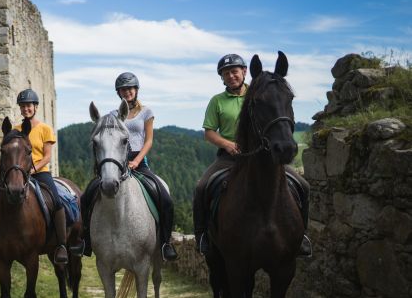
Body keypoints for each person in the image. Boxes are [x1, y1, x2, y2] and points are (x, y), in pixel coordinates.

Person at [192, 54, 312, 256]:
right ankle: (203, 236)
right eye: (226, 73)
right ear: (222, 77)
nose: (231, 76)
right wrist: (227, 144)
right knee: (201, 187)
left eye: (235, 71)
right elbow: (209, 132)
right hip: (229, 157)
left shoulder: (259, 93)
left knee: (303, 186)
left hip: (262, 155)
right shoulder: (217, 101)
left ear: (244, 72)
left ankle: (302, 236)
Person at [70, 72, 179, 262]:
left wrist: (137, 161)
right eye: (123, 89)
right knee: (87, 196)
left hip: (139, 161)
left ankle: (165, 243)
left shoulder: (147, 112)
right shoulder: (113, 115)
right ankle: (86, 240)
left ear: (136, 90)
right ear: (118, 93)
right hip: (115, 161)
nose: (127, 92)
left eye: (130, 88)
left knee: (164, 197)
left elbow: (149, 140)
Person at [0, 89, 69, 265]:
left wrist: (32, 170)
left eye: (29, 106)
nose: (26, 109)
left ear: (35, 107)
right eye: (23, 106)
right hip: (16, 174)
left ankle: (61, 245)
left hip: (40, 173)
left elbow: (47, 156)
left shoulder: (45, 129)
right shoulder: (15, 130)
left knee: (57, 202)